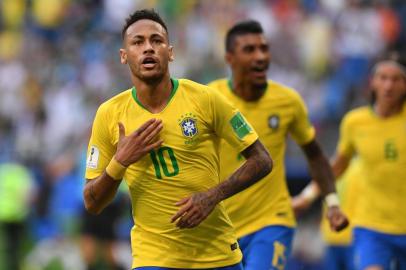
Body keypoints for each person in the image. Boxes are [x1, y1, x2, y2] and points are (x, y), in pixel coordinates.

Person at [83, 9, 273, 270]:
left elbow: (262, 159)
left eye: (156, 41)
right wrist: (120, 161)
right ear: (124, 56)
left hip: (217, 255)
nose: (148, 48)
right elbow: (92, 202)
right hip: (154, 258)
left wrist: (212, 197)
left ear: (170, 52)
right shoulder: (109, 115)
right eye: (138, 42)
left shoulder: (205, 99)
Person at [208, 20, 348, 270]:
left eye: (264, 48)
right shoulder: (209, 99)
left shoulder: (287, 101)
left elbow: (315, 155)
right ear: (230, 58)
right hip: (221, 229)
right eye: (249, 50)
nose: (261, 56)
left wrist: (332, 203)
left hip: (272, 220)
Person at [293, 59, 406, 270]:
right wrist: (307, 196)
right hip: (372, 226)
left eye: (396, 79)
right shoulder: (355, 122)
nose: (389, 86)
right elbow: (336, 167)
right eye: (383, 78)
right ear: (372, 83)